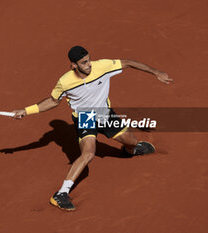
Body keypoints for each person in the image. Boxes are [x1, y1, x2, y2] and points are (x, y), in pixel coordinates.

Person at [12, 46, 173, 211]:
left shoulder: (101, 66)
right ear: (73, 65)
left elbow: (128, 63)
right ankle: (60, 194)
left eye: (89, 59)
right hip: (85, 117)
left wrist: (156, 72)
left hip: (104, 114)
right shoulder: (65, 82)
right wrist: (25, 111)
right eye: (84, 62)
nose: (89, 64)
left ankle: (130, 149)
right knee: (89, 153)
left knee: (132, 142)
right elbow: (53, 101)